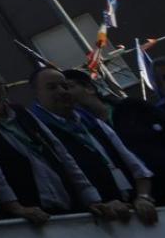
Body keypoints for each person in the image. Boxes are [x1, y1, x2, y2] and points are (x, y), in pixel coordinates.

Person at [0, 64, 108, 223]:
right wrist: (14, 207)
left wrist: (90, 197)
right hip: (28, 213)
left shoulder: (20, 111)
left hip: (66, 202)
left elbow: (61, 153)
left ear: (3, 88)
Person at [30, 69, 155, 224]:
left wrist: (143, 197)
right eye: (52, 87)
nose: (62, 91)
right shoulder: (38, 132)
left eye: (65, 86)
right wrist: (96, 203)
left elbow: (136, 167)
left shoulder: (91, 121)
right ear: (36, 94)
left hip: (133, 211)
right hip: (96, 221)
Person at [82, 68, 165, 204]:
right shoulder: (87, 129)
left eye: (68, 86)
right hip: (146, 197)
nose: (64, 92)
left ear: (88, 88)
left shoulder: (131, 107)